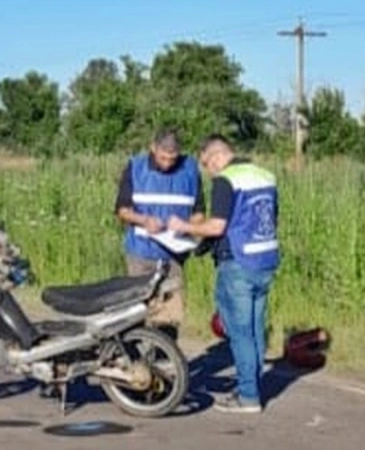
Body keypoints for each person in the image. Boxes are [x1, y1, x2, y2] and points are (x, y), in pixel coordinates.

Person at [166, 134, 280, 413]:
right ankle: (251, 385)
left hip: (237, 262)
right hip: (265, 260)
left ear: (215, 156)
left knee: (238, 332)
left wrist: (185, 226)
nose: (207, 170)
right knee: (254, 328)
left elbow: (217, 227)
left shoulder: (226, 180)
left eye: (206, 164)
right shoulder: (265, 175)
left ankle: (248, 396)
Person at [114, 128, 205, 339]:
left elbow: (199, 211)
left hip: (174, 255)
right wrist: (145, 220)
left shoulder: (190, 169)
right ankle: (137, 361)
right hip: (140, 252)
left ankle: (165, 362)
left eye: (172, 158)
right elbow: (122, 210)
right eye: (163, 158)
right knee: (137, 312)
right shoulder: (135, 167)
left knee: (169, 314)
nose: (167, 163)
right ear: (153, 148)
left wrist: (188, 226)